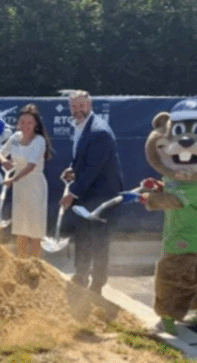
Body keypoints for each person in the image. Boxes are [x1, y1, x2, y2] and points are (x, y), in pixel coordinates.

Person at [59, 90, 123, 293]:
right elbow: (83, 161)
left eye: (81, 106)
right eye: (74, 107)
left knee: (99, 241)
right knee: (83, 236)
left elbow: (93, 170)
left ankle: (97, 284)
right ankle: (80, 275)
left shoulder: (99, 132)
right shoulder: (82, 127)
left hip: (102, 196)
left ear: (90, 106)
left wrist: (72, 193)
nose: (77, 110)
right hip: (87, 194)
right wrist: (72, 169)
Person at [0, 104, 53, 258]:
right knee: (20, 228)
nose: (25, 126)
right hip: (19, 187)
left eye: (29, 123)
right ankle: (21, 264)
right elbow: (0, 153)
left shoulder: (39, 140)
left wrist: (12, 179)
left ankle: (34, 266)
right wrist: (4, 162)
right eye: (22, 122)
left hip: (35, 186)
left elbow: (31, 165)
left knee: (35, 229)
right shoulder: (14, 138)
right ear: (18, 123)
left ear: (35, 125)